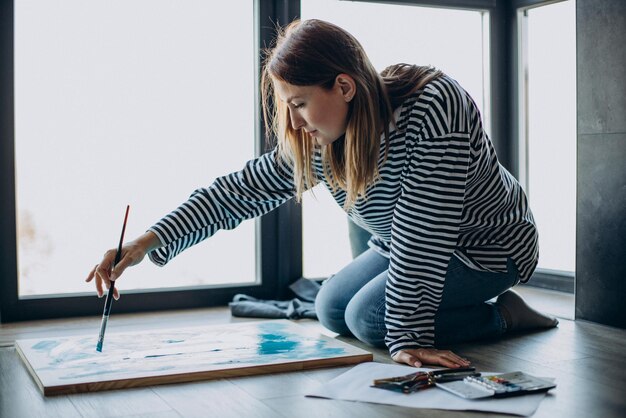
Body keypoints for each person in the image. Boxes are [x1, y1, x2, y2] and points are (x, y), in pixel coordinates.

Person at [86, 19, 558, 369]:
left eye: (299, 104)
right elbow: (238, 191)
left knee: (373, 322)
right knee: (333, 308)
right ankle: (436, 315)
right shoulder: (321, 140)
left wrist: (408, 335)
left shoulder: (434, 106)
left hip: (487, 246)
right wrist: (146, 242)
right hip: (403, 246)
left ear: (344, 86)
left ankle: (503, 318)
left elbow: (426, 229)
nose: (293, 123)